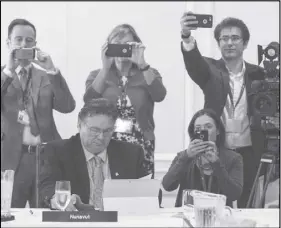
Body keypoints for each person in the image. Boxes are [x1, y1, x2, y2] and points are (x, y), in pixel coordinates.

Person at [180, 13, 279, 208]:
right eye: (224, 38)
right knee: (215, 206)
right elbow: (194, 63)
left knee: (248, 205)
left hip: (251, 150)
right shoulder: (210, 70)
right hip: (219, 150)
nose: (229, 42)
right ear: (218, 43)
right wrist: (186, 36)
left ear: (245, 43)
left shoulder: (259, 74)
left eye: (235, 38)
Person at [1, 18, 76, 208]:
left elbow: (67, 106)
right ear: (8, 43)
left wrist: (52, 69)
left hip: (45, 159)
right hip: (10, 161)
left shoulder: (46, 75)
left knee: (46, 216)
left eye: (29, 40)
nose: (23, 44)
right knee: (9, 215)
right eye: (18, 40)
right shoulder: (4, 75)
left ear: (35, 44)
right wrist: (9, 71)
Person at [83, 24, 167, 177]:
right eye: (117, 45)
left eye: (127, 45)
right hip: (107, 141)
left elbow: (159, 95)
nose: (122, 50)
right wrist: (105, 68)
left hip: (141, 142)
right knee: (107, 188)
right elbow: (89, 102)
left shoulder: (148, 73)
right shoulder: (98, 75)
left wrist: (142, 64)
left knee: (141, 190)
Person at [39, 98, 147, 211]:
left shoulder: (131, 153)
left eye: (107, 131)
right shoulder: (58, 151)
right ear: (79, 124)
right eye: (94, 130)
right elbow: (46, 188)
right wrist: (57, 199)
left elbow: (152, 194)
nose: (101, 137)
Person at [162, 109, 243, 207]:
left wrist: (216, 164)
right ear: (193, 132)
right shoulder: (183, 156)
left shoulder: (233, 158)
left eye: (208, 127)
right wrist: (186, 157)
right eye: (198, 128)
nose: (203, 131)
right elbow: (167, 186)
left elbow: (234, 194)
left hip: (218, 216)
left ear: (218, 130)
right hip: (188, 216)